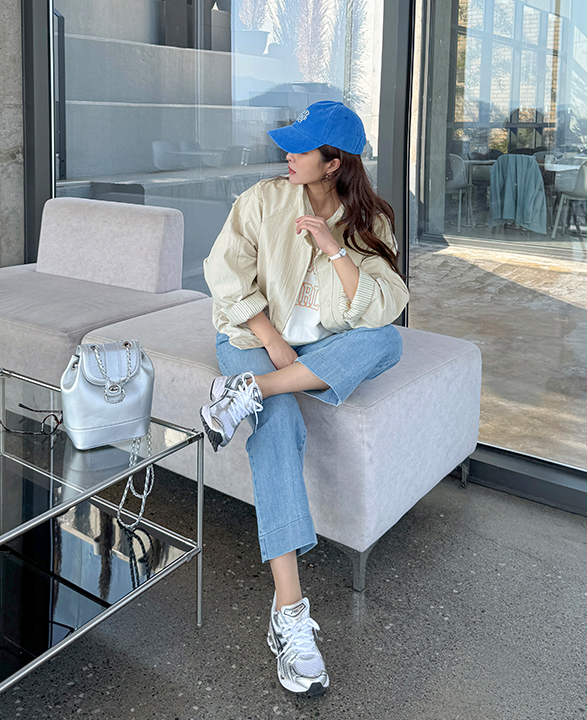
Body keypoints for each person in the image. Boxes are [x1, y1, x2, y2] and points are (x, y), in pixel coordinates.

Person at [200, 101, 410, 696]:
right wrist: (271, 341)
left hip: (315, 351)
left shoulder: (371, 220)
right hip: (252, 337)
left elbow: (383, 306)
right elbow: (224, 274)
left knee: (387, 342)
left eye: (301, 148)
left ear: (333, 162)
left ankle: (246, 392)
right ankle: (289, 613)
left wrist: (334, 249)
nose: (287, 155)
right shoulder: (263, 200)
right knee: (280, 424)